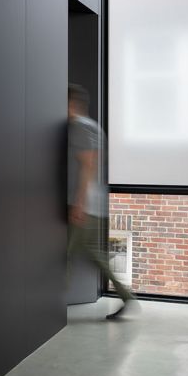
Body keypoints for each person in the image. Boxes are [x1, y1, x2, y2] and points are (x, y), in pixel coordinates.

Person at [67, 83, 136, 319]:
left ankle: (47, 311)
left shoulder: (78, 127)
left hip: (85, 205)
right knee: (93, 253)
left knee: (65, 254)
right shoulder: (93, 127)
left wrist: (79, 203)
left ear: (71, 103)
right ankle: (127, 297)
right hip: (94, 205)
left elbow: (88, 164)